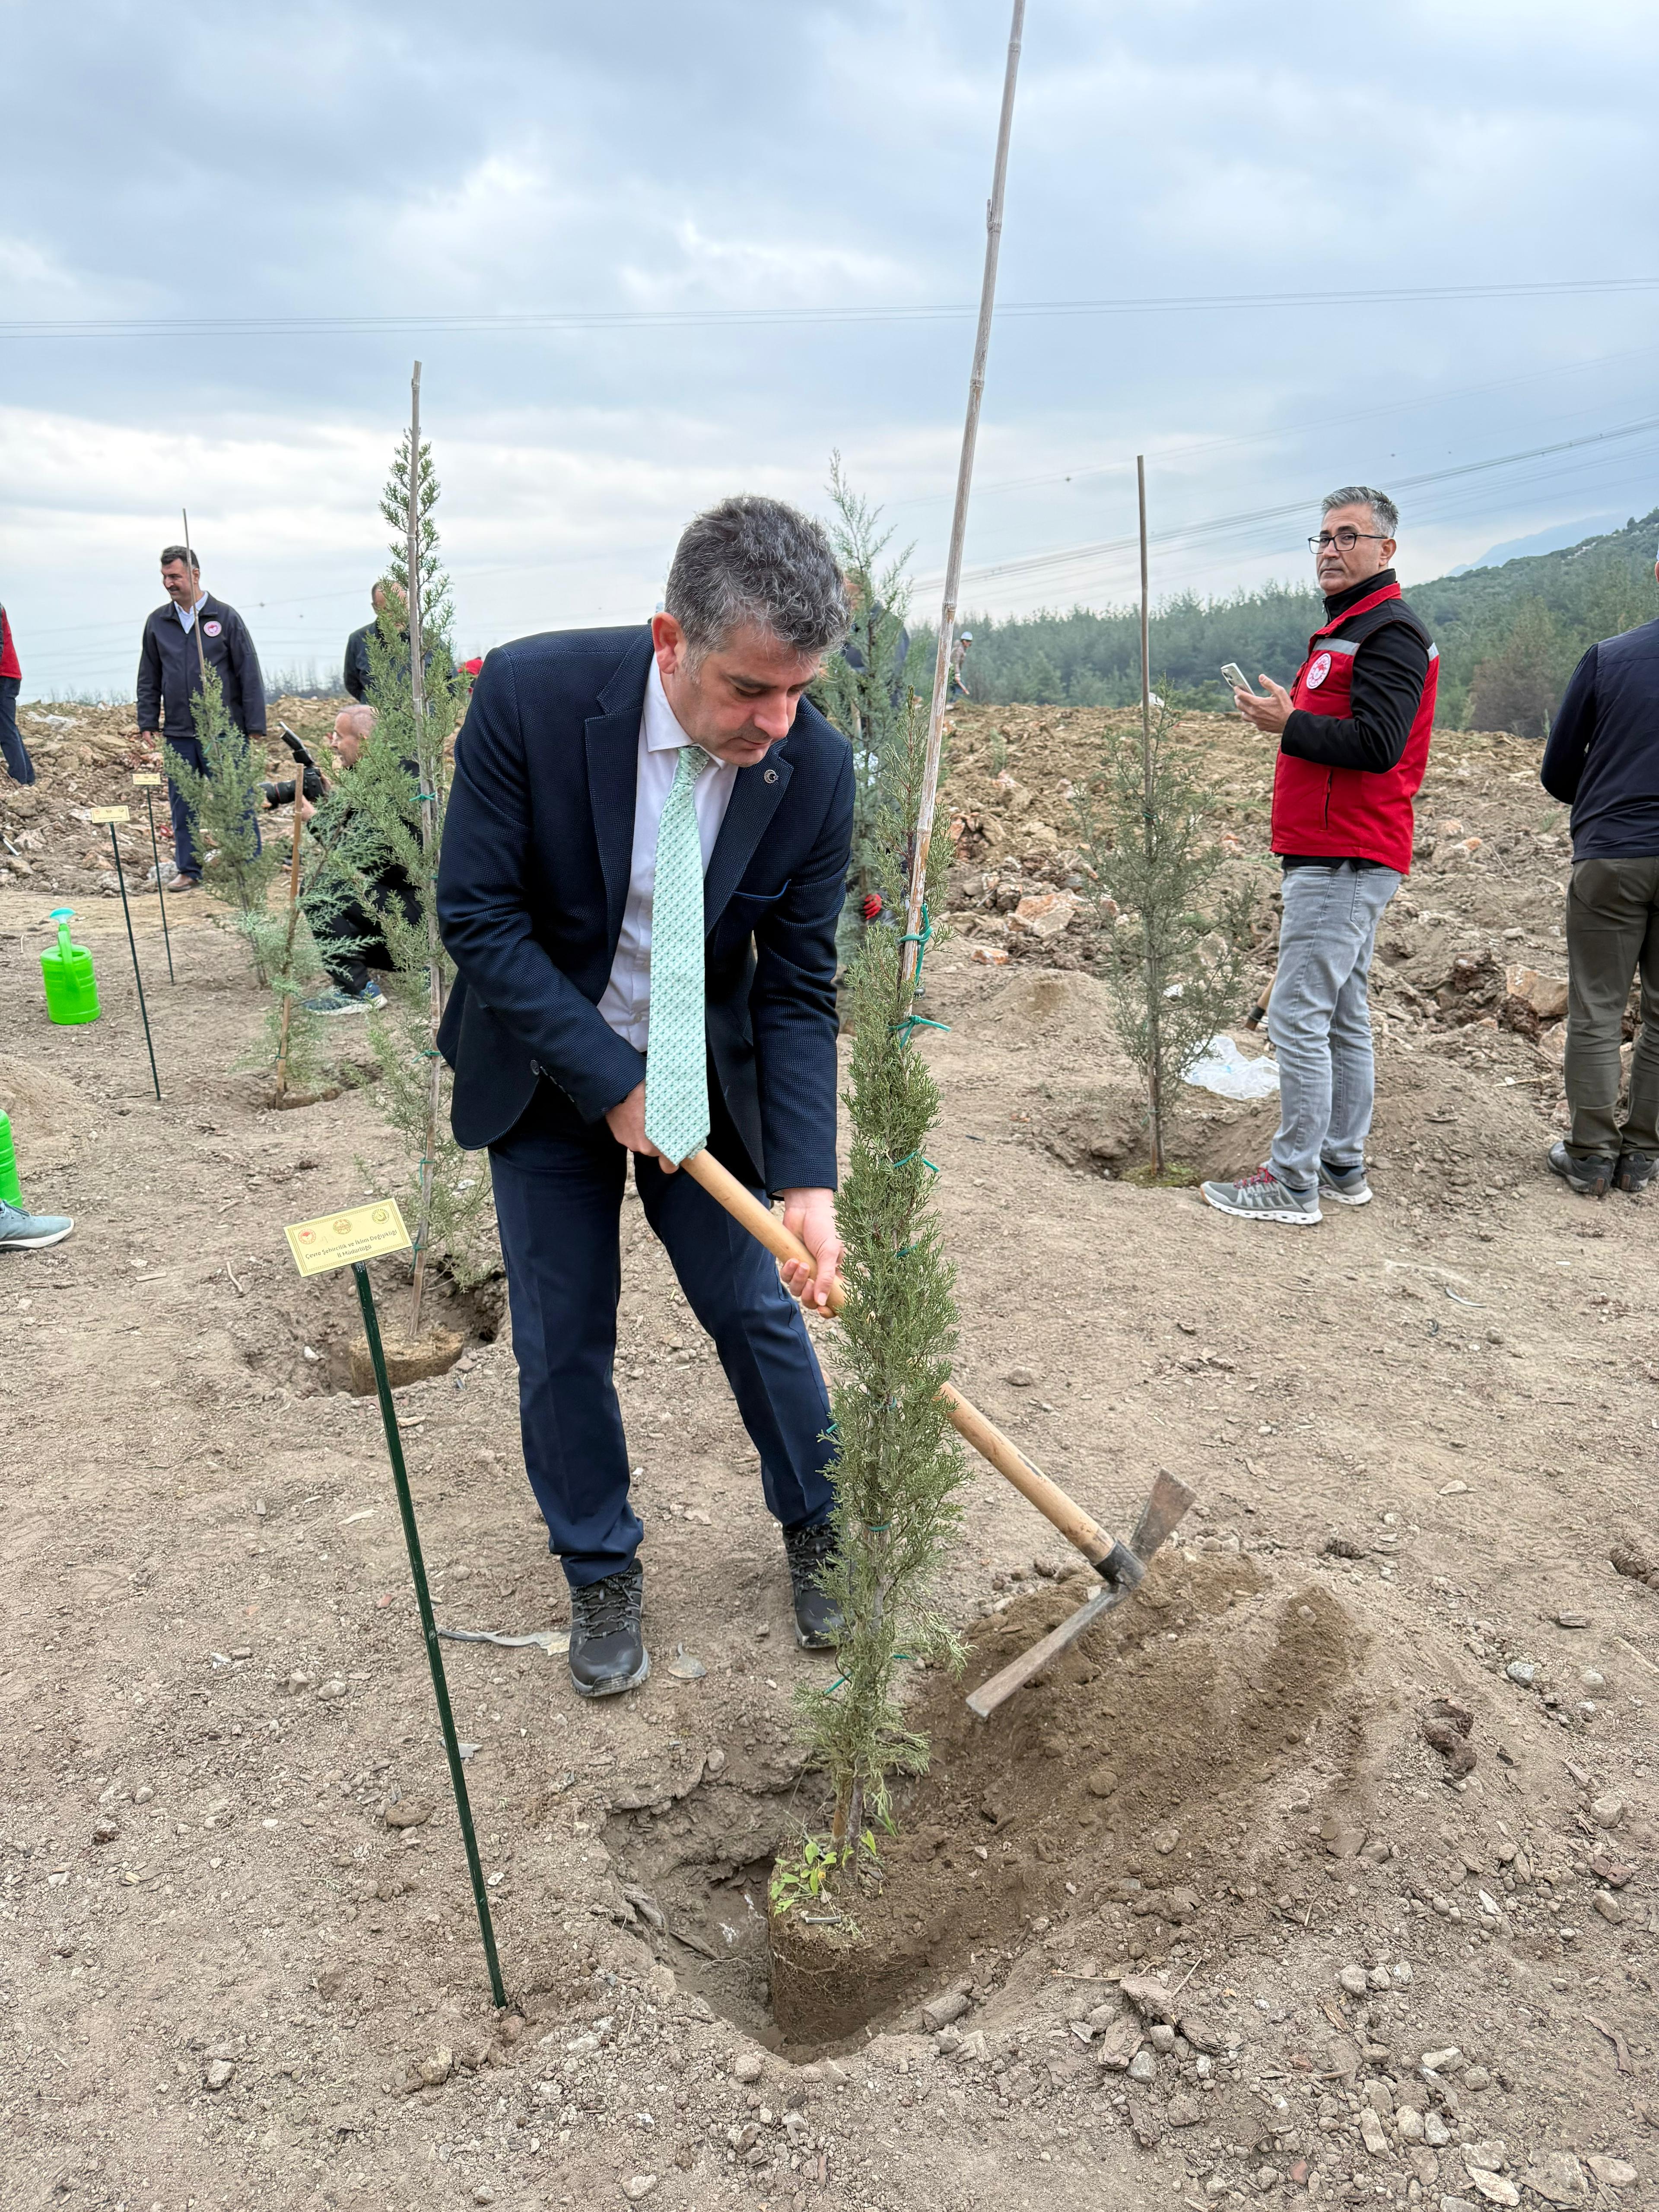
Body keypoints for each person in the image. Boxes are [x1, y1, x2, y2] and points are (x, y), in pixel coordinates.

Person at [438, 496, 854, 1699]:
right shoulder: (531, 696)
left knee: (754, 1307)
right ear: (671, 639)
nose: (776, 724)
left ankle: (816, 1520)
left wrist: (808, 1185)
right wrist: (610, 1082)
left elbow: (796, 989)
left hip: (699, 1075)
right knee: (564, 1339)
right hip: (545, 1064)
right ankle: (598, 1566)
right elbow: (478, 915)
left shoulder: (814, 772)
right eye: (748, 691)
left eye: (798, 692)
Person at [1202, 486, 1437, 1227]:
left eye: (1348, 537)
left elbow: (1378, 744)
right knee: (1341, 1013)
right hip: (1335, 849)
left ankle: (1293, 1180)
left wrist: (1290, 724)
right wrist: (1291, 720)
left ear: (1385, 551)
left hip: (1345, 854)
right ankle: (1341, 1162)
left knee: (1297, 1015)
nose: (1331, 550)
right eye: (1324, 538)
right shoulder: (1350, 628)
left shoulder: (1389, 633)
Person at [1539, 549, 1659, 1197]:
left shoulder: (1610, 657)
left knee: (1597, 1008)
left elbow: (1559, 769)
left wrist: (1604, 803)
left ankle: (1589, 1155)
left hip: (1612, 852)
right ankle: (1641, 1156)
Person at [136, 546, 267, 892]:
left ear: (195, 574)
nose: (169, 583)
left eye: (175, 576)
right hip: (179, 733)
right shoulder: (158, 623)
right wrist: (148, 721)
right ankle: (189, 870)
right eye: (165, 577)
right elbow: (149, 676)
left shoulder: (224, 618)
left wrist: (254, 727)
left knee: (234, 799)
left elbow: (249, 673)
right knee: (183, 804)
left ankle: (247, 866)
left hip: (223, 732)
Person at [289, 705, 414, 1014]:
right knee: (333, 884)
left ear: (366, 740)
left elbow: (370, 857)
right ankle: (418, 967)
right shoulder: (385, 773)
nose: (333, 744)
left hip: (418, 912)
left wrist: (315, 819)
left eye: (340, 737)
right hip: (413, 908)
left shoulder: (395, 785)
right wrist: (330, 795)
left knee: (322, 887)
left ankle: (357, 992)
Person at [343, 580, 405, 703]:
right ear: (376, 608)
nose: (397, 615)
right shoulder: (359, 640)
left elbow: (449, 684)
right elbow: (352, 684)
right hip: (377, 720)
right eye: (389, 610)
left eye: (401, 607)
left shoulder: (428, 641)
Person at [1, 601, 35, 785]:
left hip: (4, 675)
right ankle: (27, 777)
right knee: (7, 726)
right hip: (8, 674)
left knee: (5, 729)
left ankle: (20, 778)